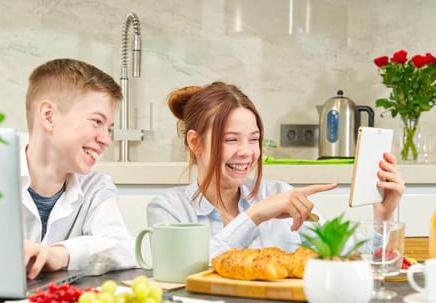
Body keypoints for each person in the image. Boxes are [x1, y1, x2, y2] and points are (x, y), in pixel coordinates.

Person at [147, 82, 405, 259]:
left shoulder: (280, 193)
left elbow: (349, 252)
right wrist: (255, 216)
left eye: (253, 138)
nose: (246, 152)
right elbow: (183, 273)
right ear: (195, 142)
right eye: (231, 140)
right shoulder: (168, 209)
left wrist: (383, 215)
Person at [22, 58, 137, 279]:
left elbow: (125, 247)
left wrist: (61, 253)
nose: (106, 140)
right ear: (48, 116)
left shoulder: (96, 187)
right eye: (96, 121)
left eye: (110, 129)